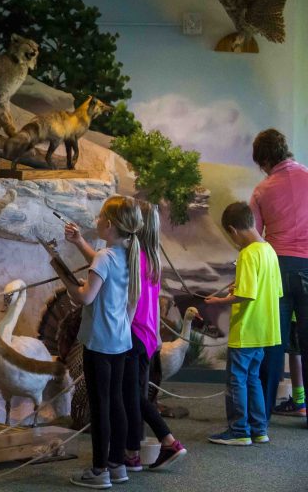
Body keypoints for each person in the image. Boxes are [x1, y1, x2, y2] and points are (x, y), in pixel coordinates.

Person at [55, 195, 143, 489]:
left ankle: (99, 470)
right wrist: (79, 241)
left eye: (100, 217)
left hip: (98, 343)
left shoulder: (107, 256)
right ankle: (117, 466)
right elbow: (130, 298)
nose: (96, 221)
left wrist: (63, 276)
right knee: (115, 402)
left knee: (100, 405)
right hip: (120, 340)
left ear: (109, 224)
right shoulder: (128, 251)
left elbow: (85, 296)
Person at [205, 202, 282, 445]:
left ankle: (239, 431)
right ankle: (259, 429)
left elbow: (247, 295)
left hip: (246, 329)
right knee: (253, 378)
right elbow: (273, 290)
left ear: (233, 229)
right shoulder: (269, 250)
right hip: (264, 329)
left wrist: (220, 300)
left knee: (237, 379)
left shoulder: (247, 254)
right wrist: (238, 287)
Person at [249, 128, 308, 425]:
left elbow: (252, 236)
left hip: (277, 268)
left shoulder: (262, 190)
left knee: (273, 341)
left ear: (263, 159)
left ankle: (262, 416)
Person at [123, 201, 187, 471]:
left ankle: (169, 441)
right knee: (134, 394)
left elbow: (133, 298)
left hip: (134, 333)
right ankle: (132, 454)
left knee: (133, 396)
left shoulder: (135, 257)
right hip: (148, 335)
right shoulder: (153, 258)